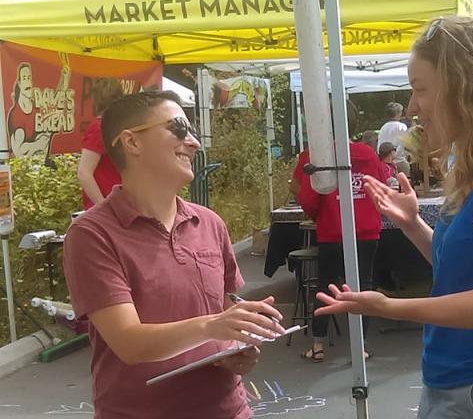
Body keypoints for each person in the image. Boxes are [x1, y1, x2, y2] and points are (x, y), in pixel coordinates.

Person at [315, 16, 473, 419]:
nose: (413, 106)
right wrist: (413, 225)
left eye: (420, 89)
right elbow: (462, 272)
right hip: (452, 385)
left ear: (465, 86)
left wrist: (387, 306)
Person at [63, 90, 285, 419]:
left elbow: (222, 309)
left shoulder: (209, 222)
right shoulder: (92, 235)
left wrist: (239, 343)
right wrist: (215, 326)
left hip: (229, 409)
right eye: (179, 128)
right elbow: (129, 342)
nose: (194, 142)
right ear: (132, 142)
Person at [294, 100, 387, 362]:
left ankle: (318, 345)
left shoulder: (315, 156)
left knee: (326, 285)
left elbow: (307, 198)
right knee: (364, 285)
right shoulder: (368, 154)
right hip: (367, 231)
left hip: (332, 231)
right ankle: (361, 345)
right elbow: (380, 190)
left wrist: (319, 216)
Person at [77, 78, 125, 210]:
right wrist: (103, 205)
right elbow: (84, 173)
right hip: (108, 206)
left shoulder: (115, 126)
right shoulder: (99, 128)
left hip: (121, 203)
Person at [378, 102, 411, 176]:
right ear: (398, 113)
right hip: (399, 161)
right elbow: (404, 144)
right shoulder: (402, 126)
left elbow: (379, 145)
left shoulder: (383, 127)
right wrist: (395, 156)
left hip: (385, 162)